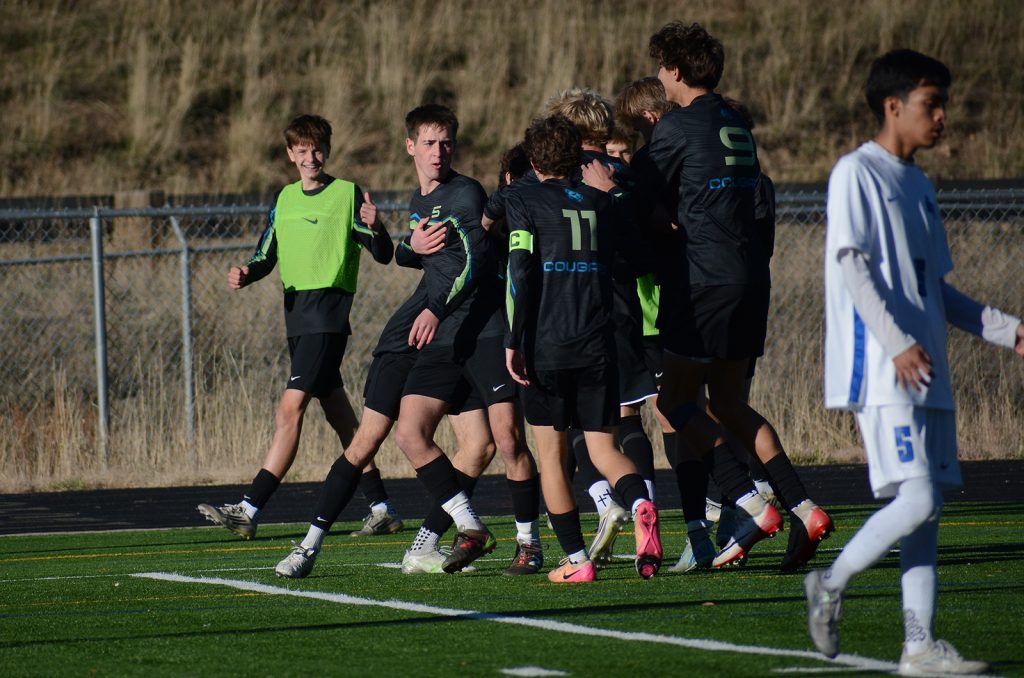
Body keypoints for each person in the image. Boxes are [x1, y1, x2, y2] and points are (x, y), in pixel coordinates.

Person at [805, 48, 1021, 675]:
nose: (943, 117)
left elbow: (938, 291)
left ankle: (919, 645)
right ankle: (831, 582)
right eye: (932, 104)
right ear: (893, 107)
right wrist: (896, 342)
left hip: (926, 369)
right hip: (882, 366)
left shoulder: (920, 184)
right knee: (919, 500)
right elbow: (851, 264)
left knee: (926, 511)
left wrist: (1010, 333)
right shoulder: (856, 173)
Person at [630, 21, 835, 569]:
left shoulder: (675, 128)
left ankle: (750, 502)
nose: (658, 76)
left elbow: (638, 198)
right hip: (750, 280)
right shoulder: (737, 125)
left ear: (674, 70)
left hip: (702, 282)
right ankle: (804, 505)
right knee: (729, 403)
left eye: (660, 67)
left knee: (676, 402)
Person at [196, 114, 393, 539]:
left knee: (290, 410)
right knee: (341, 416)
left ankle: (250, 506)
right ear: (290, 154)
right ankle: (381, 506)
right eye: (301, 151)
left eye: (317, 149)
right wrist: (246, 272)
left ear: (328, 149)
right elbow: (266, 253)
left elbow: (383, 253)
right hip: (297, 319)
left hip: (327, 319)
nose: (311, 157)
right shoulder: (284, 199)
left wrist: (377, 226)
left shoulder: (347, 194)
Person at [505, 115, 663, 583]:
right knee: (603, 448)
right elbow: (636, 261)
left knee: (551, 457)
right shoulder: (601, 202)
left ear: (533, 161)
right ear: (577, 158)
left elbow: (521, 269)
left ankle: (577, 561)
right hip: (598, 343)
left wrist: (515, 340)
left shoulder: (523, 198)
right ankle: (640, 503)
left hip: (547, 346)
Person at [546, 87, 660, 569]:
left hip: (576, 316)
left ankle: (605, 501)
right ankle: (644, 504)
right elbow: (642, 253)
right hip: (626, 311)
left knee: (575, 425)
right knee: (627, 416)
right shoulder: (626, 177)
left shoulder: (563, 180)